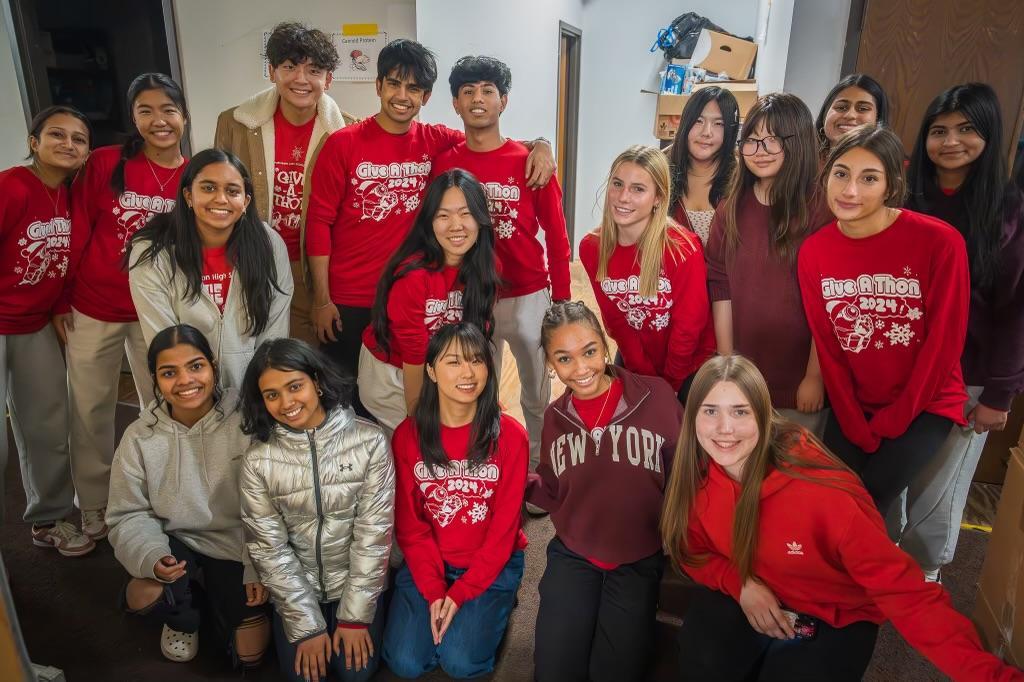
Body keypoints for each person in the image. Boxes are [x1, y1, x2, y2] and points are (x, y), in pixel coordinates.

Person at [661, 354, 1021, 682]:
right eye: (710, 411)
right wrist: (741, 585)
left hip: (834, 614)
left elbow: (909, 597)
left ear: (764, 415)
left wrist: (991, 677)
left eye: (740, 411)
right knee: (700, 662)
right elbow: (692, 550)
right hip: (754, 589)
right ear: (691, 418)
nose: (724, 428)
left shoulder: (826, 496)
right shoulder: (697, 476)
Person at [304, 38, 553, 408]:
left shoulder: (434, 140)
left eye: (414, 88)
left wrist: (541, 145)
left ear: (427, 96)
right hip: (350, 297)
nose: (402, 96)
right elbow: (318, 223)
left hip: (414, 290)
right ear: (378, 86)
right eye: (394, 84)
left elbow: (487, 139)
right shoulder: (343, 143)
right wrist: (322, 300)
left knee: (414, 385)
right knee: (344, 397)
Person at [798, 125, 970, 521]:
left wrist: (897, 416)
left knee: (870, 496)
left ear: (892, 184)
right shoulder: (814, 251)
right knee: (833, 496)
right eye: (841, 173)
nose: (850, 190)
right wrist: (852, 418)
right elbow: (828, 344)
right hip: (856, 403)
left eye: (869, 178)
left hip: (926, 402)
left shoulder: (940, 242)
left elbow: (944, 343)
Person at [894, 83, 1024, 580]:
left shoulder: (1006, 209)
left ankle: (924, 579)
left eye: (966, 129)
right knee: (890, 483)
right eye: (939, 130)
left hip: (965, 377)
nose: (951, 141)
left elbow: (1015, 311)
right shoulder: (905, 197)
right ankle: (885, 573)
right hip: (898, 370)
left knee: (938, 489)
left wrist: (999, 393)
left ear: (989, 134)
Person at [59, 73, 188, 541]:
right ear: (133, 118)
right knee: (90, 408)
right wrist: (62, 296)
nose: (159, 121)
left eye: (168, 110)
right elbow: (76, 228)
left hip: (156, 310)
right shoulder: (106, 162)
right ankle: (94, 502)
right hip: (95, 305)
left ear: (183, 115)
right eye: (145, 111)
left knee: (162, 405)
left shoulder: (192, 175)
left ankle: (156, 492)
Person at [528, 301, 682, 682]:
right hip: (575, 552)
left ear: (604, 343)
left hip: (638, 556)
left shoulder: (657, 396)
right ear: (550, 363)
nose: (581, 368)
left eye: (589, 351)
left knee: (614, 673)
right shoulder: (554, 418)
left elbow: (685, 474)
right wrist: (516, 480)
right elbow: (552, 486)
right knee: (553, 673)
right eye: (564, 358)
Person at [432, 54, 571, 464]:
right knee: (479, 389)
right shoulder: (446, 163)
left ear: (503, 101)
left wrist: (562, 301)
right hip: (472, 296)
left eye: (488, 91)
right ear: (456, 103)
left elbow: (557, 236)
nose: (478, 99)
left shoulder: (530, 162)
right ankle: (490, 462)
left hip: (528, 294)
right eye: (468, 91)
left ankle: (541, 466)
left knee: (536, 393)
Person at [106, 325, 270, 667]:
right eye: (169, 372)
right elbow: (127, 513)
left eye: (195, 366)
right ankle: (185, 616)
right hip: (173, 541)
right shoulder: (139, 436)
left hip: (236, 544)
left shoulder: (248, 421)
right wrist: (152, 556)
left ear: (213, 367)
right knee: (144, 596)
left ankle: (214, 599)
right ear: (155, 378)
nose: (185, 380)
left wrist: (255, 564)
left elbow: (268, 505)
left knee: (250, 654)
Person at [239, 338, 394, 682]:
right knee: (304, 677)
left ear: (317, 382)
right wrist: (306, 626)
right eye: (272, 394)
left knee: (355, 674)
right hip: (299, 590)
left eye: (295, 386)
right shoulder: (257, 459)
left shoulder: (370, 441)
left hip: (355, 586)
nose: (286, 403)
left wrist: (355, 619)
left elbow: (374, 536)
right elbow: (269, 549)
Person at [383, 323, 527, 678]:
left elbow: (504, 530)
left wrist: (462, 593)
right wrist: (435, 591)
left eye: (476, 360)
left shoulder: (511, 436)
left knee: (460, 663)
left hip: (491, 561)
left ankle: (497, 603)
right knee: (405, 662)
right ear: (431, 371)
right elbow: (411, 528)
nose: (468, 372)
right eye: (454, 362)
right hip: (432, 561)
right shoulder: (407, 436)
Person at [707, 92, 832, 434]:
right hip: (743, 371)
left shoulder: (820, 209)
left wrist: (814, 376)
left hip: (798, 379)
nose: (760, 151)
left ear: (799, 142)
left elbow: (828, 301)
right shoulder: (731, 207)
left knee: (793, 459)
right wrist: (727, 362)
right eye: (752, 140)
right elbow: (720, 285)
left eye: (773, 140)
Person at [215, 21, 345, 346]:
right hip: (248, 261)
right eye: (289, 67)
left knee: (301, 357)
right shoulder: (234, 124)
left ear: (328, 79)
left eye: (313, 70)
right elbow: (218, 198)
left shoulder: (346, 134)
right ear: (272, 71)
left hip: (309, 271)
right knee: (245, 353)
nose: (301, 79)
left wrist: (323, 295)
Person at [1, 105, 93, 554]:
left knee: (49, 426)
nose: (68, 144)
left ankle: (49, 519)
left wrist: (58, 306)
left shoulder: (72, 196)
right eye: (57, 134)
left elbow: (62, 264)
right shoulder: (12, 186)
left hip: (33, 325)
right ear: (34, 142)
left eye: (79, 139)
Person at [128, 148, 293, 390]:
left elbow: (274, 333)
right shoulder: (152, 252)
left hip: (252, 389)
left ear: (245, 202)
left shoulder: (269, 244)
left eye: (232, 191)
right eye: (208, 188)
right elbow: (166, 343)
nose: (221, 199)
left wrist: (262, 390)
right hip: (186, 388)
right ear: (188, 196)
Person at [358, 170, 498, 431]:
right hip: (393, 372)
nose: (456, 225)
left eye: (466, 213)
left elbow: (477, 336)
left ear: (480, 218)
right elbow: (413, 353)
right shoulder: (414, 277)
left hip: (441, 366)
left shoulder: (484, 268)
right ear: (429, 222)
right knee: (415, 438)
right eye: (443, 216)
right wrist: (419, 422)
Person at [579, 145, 714, 401]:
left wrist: (669, 384)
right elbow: (616, 321)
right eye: (617, 184)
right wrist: (644, 375)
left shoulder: (682, 248)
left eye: (638, 189)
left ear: (658, 198)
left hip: (689, 362)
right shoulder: (592, 247)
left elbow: (689, 327)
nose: (623, 197)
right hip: (637, 356)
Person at [666, 86, 740, 245]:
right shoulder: (660, 175)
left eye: (718, 123)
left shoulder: (742, 182)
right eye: (698, 121)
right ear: (685, 123)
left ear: (730, 131)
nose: (707, 132)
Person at [814, 73, 890, 159]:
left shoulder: (886, 165)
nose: (850, 115)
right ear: (825, 113)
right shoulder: (803, 157)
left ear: (878, 118)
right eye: (841, 107)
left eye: (863, 109)